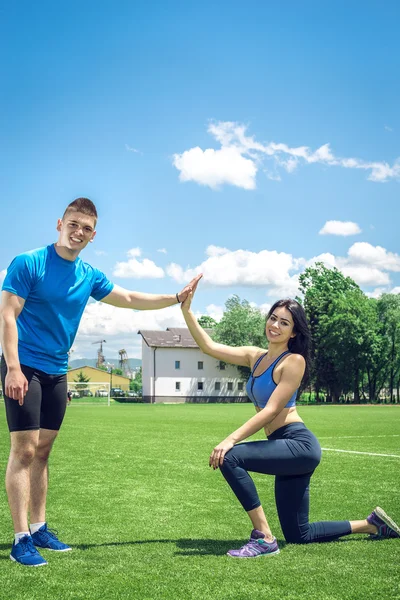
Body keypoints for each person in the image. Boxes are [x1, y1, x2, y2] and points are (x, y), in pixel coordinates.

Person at [0, 197, 201, 567]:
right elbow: (8, 317)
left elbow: (127, 297)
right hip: (24, 365)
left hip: (57, 372)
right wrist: (12, 367)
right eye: (73, 224)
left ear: (94, 235)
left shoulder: (88, 275)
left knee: (43, 452)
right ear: (59, 223)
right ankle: (20, 538)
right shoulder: (29, 262)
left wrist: (174, 297)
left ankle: (40, 527)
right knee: (24, 452)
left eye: (86, 228)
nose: (78, 232)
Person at [181, 285, 400, 558]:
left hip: (298, 445)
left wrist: (230, 439)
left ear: (294, 332)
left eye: (284, 322)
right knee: (300, 534)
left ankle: (264, 537)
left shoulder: (294, 361)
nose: (275, 325)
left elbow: (272, 410)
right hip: (281, 446)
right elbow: (209, 346)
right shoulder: (255, 356)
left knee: (230, 457)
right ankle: (371, 525)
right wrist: (187, 310)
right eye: (273, 318)